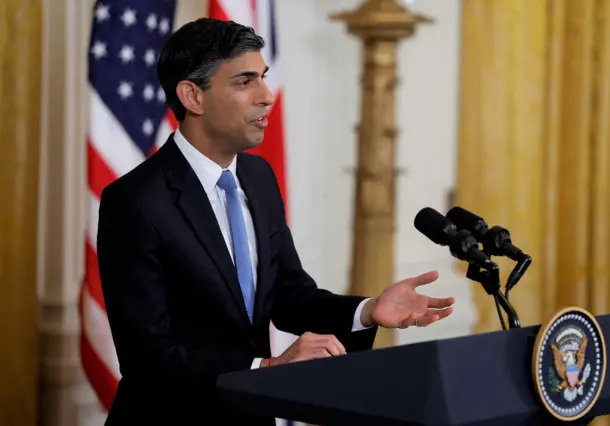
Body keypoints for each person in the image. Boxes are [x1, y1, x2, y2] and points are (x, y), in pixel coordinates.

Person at [97, 17, 455, 426]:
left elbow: (289, 296)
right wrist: (265, 369)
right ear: (193, 96)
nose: (267, 96)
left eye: (263, 78)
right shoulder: (135, 202)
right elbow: (148, 358)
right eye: (245, 81)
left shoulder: (258, 178)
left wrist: (369, 310)